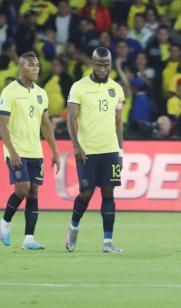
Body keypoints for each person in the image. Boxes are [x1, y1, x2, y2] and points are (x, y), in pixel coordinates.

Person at [65, 47, 125, 253]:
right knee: (85, 193)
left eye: (106, 65)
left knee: (109, 194)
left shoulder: (116, 89)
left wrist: (120, 152)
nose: (102, 68)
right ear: (92, 64)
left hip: (109, 150)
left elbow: (119, 123)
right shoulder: (79, 87)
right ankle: (73, 228)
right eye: (99, 64)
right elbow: (71, 118)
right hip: (87, 151)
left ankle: (107, 242)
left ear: (110, 65)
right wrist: (76, 145)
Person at [0, 52, 60, 249]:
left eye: (37, 65)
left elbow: (46, 125)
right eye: (31, 65)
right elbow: (2, 124)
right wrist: (12, 150)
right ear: (21, 67)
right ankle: (5, 222)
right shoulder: (9, 92)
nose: (35, 68)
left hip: (35, 151)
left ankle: (29, 239)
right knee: (22, 188)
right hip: (16, 150)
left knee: (34, 192)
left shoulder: (41, 93)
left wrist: (55, 151)